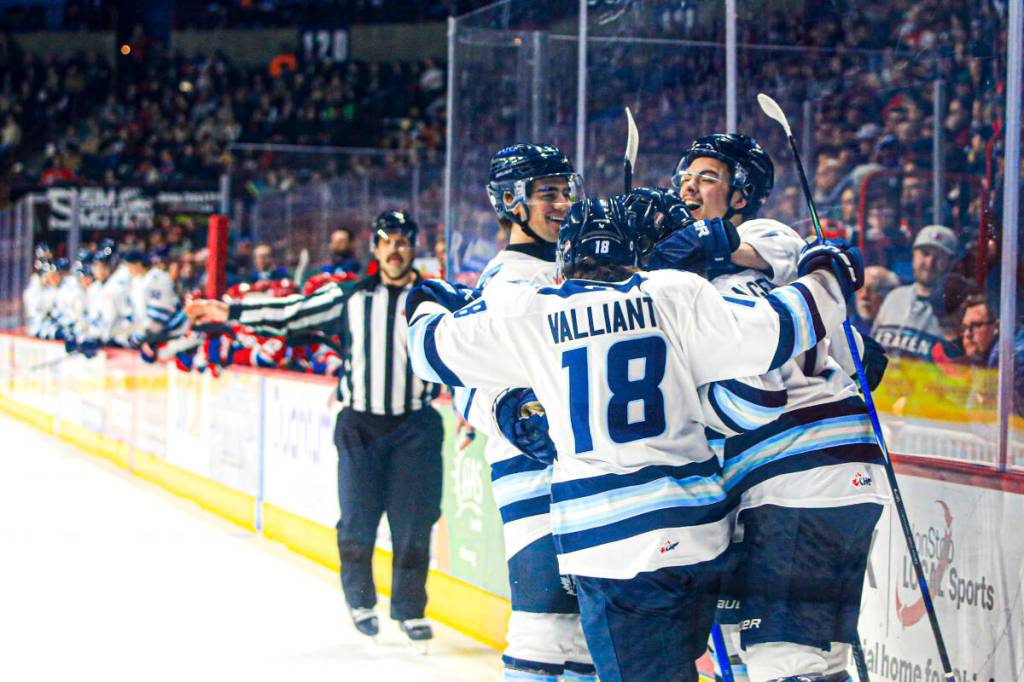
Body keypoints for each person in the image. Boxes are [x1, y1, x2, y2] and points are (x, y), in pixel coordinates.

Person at [405, 196, 862, 682]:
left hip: (614, 550)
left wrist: (426, 302)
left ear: (563, 263)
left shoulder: (532, 315)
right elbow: (779, 331)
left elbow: (429, 353)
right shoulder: (676, 293)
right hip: (699, 539)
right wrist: (827, 274)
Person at [652, 133, 889, 682]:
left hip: (800, 475)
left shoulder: (764, 237)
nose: (689, 186)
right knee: (802, 658)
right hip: (793, 482)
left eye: (707, 178)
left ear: (741, 195)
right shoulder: (694, 286)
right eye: (684, 177)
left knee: (783, 662)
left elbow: (726, 249)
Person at [186, 210, 443, 647]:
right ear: (376, 248)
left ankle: (409, 610)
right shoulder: (351, 296)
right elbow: (291, 313)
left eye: (403, 241)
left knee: (415, 524)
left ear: (413, 246)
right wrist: (230, 310)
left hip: (416, 426)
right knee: (357, 524)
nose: (395, 250)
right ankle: (360, 600)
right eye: (387, 242)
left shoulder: (436, 297)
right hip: (361, 423)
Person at [458, 143, 595, 681]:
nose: (562, 203)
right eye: (547, 194)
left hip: (586, 479)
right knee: (544, 629)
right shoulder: (506, 281)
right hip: (534, 478)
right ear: (512, 202)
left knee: (585, 635)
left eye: (565, 191)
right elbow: (466, 383)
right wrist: (511, 409)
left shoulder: (570, 269)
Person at [872, 224, 959, 360]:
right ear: (913, 256)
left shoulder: (956, 308)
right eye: (924, 253)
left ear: (951, 262)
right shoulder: (894, 297)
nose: (929, 263)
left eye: (939, 257)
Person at [959, 294, 1024, 416]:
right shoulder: (980, 358)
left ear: (997, 327)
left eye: (976, 325)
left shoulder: (1006, 359)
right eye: (965, 327)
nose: (968, 334)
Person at [852, 265, 900, 335]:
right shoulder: (847, 328)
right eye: (859, 289)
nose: (863, 296)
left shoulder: (903, 329)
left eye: (873, 289)